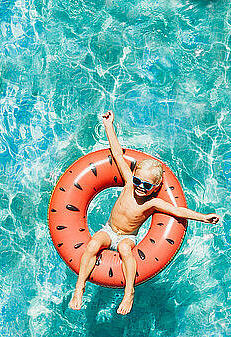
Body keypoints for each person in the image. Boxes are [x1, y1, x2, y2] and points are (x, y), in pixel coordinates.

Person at [69, 110, 220, 314]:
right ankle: (80, 288)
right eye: (138, 181)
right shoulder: (129, 182)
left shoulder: (152, 203)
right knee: (94, 243)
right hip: (109, 229)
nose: (140, 187)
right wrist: (108, 126)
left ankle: (129, 292)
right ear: (133, 177)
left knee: (124, 250)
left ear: (156, 187)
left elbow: (178, 211)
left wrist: (203, 217)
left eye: (147, 185)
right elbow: (116, 152)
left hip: (127, 237)